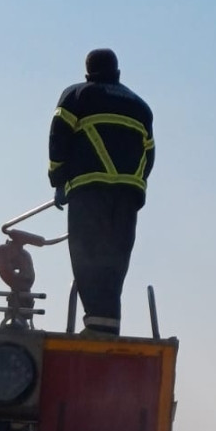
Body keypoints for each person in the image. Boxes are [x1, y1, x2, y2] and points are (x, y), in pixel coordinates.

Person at [48, 48, 154, 336]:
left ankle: (95, 323)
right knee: (115, 259)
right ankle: (108, 326)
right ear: (117, 71)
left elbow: (59, 135)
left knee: (87, 255)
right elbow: (150, 152)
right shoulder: (141, 106)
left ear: (87, 72)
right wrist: (134, 185)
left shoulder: (76, 96)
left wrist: (58, 179)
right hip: (127, 196)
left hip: (89, 190)